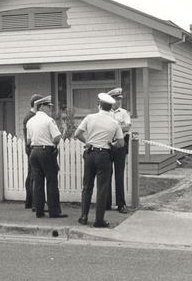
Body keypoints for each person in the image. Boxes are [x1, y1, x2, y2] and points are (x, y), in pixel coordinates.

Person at [74, 93, 124, 228]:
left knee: (87, 186)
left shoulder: (90, 118)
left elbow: (77, 134)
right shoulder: (114, 122)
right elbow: (121, 143)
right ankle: (99, 220)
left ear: (99, 105)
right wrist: (111, 144)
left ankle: (84, 216)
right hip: (104, 155)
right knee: (102, 188)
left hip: (90, 154)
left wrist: (88, 142)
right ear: (111, 107)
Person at [26, 95, 67, 218]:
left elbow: (28, 141)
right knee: (51, 181)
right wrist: (54, 145)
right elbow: (56, 137)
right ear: (42, 106)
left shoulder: (30, 121)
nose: (50, 109)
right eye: (48, 106)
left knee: (38, 182)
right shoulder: (49, 120)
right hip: (46, 151)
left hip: (34, 152)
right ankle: (54, 211)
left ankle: (39, 210)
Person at [105, 87, 131, 214]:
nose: (119, 101)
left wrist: (114, 126)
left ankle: (121, 204)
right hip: (109, 145)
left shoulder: (124, 112)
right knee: (106, 174)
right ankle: (107, 203)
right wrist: (119, 126)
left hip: (120, 145)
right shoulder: (105, 112)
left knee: (119, 175)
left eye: (120, 99)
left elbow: (127, 127)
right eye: (116, 99)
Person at [22, 94, 43, 210]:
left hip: (30, 148)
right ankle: (33, 202)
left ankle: (30, 201)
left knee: (31, 175)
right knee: (33, 176)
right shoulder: (31, 117)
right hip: (32, 148)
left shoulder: (29, 116)